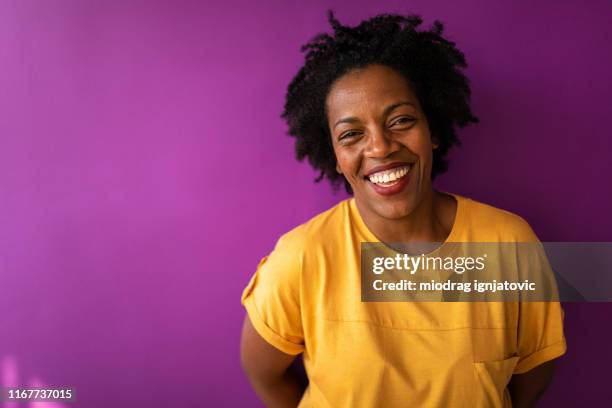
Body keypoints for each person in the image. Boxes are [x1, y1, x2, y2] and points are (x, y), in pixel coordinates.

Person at [240, 11, 566, 408]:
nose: (379, 147)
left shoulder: (510, 244)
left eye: (401, 120)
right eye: (351, 134)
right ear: (336, 156)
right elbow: (264, 374)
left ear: (433, 131)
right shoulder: (302, 258)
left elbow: (532, 376)